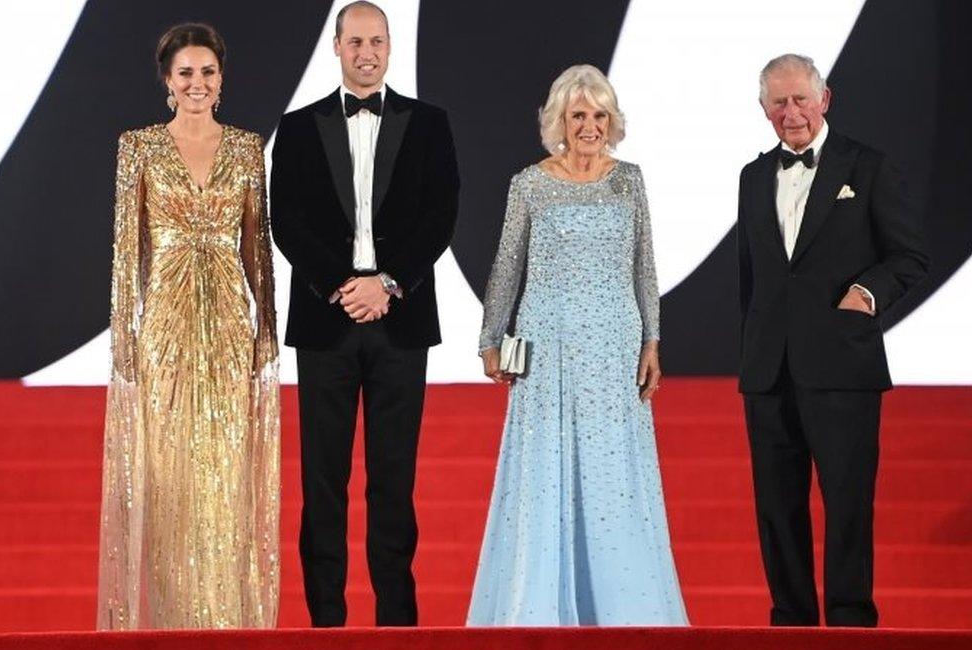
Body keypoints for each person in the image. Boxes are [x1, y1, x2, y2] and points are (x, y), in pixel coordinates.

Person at [467, 64, 688, 626]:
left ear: (612, 121)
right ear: (559, 121)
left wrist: (653, 341)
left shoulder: (629, 179)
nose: (589, 126)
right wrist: (491, 337)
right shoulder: (530, 183)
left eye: (599, 116)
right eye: (578, 116)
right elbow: (507, 266)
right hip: (547, 347)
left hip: (615, 347)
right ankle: (536, 609)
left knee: (616, 475)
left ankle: (623, 612)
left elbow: (645, 267)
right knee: (544, 470)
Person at [269, 1, 459, 627]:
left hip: (400, 324)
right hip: (326, 326)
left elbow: (441, 215)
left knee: (394, 481)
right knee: (322, 483)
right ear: (336, 45)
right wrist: (342, 286)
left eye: (377, 41)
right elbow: (286, 222)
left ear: (390, 46)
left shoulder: (430, 123)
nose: (367, 53)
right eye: (355, 41)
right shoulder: (297, 128)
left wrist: (389, 283)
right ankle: (326, 622)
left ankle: (397, 622)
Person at [97, 23, 280, 629]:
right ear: (167, 82)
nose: (197, 84)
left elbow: (259, 244)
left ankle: (226, 619)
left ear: (221, 80)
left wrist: (266, 331)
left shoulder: (249, 148)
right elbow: (127, 250)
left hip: (229, 319)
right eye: (186, 74)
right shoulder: (138, 147)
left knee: (225, 475)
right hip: (166, 324)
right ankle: (175, 620)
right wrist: (125, 334)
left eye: (207, 73)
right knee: (169, 479)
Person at [737, 54, 929, 627]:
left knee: (847, 503)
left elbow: (909, 256)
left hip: (844, 365)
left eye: (800, 99)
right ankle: (790, 620)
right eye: (778, 102)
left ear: (826, 99)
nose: (790, 112)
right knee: (776, 508)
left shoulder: (867, 167)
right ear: (764, 108)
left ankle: (850, 621)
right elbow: (752, 277)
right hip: (769, 370)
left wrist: (865, 294)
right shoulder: (751, 175)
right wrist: (750, 350)